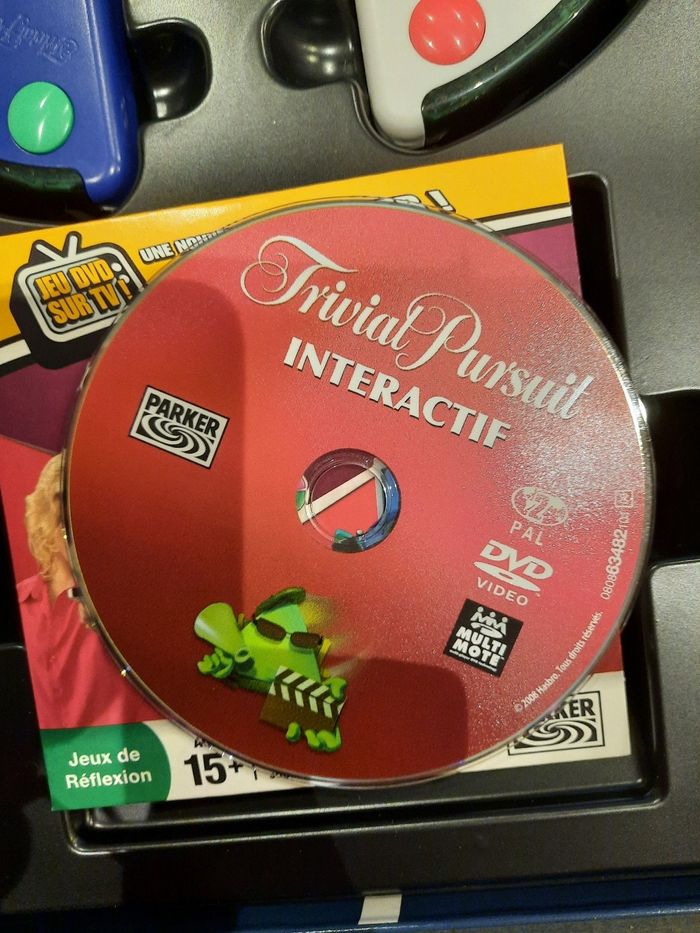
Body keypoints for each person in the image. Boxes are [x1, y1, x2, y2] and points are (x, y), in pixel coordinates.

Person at [17, 454, 157, 730]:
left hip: (127, 750)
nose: (72, 513)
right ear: (42, 512)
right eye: (61, 499)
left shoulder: (130, 599)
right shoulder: (20, 602)